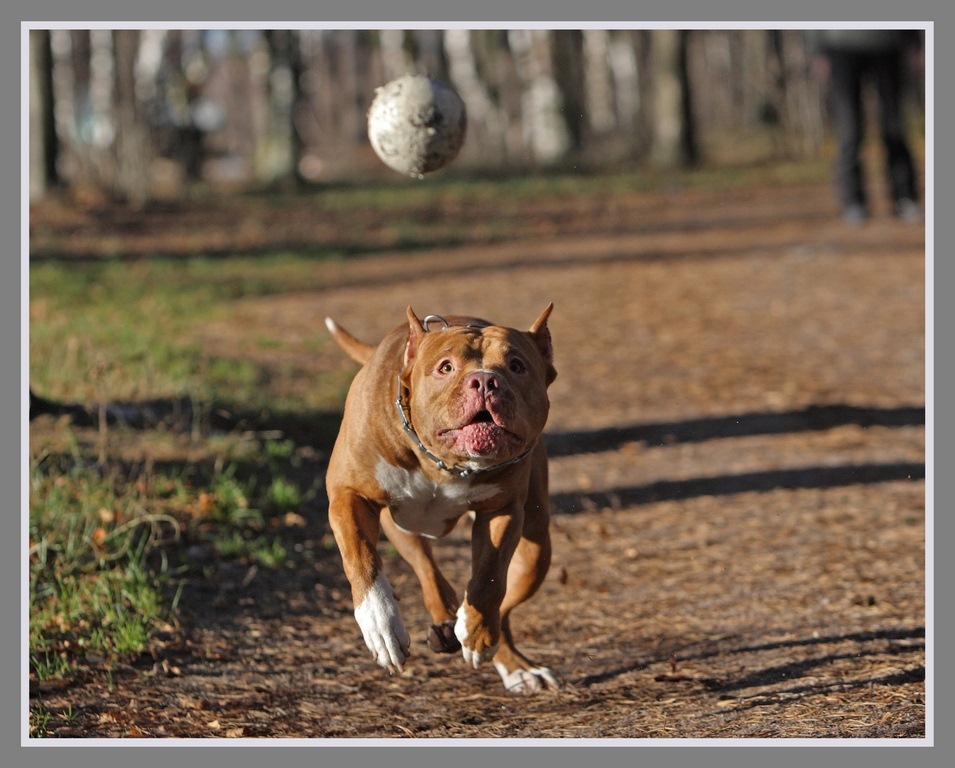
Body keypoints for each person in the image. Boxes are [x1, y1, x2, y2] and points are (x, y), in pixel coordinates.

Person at [807, 29, 923, 225]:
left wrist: (916, 42)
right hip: (840, 44)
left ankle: (905, 196)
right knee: (849, 131)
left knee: (894, 126)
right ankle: (852, 201)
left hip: (889, 41)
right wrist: (817, 49)